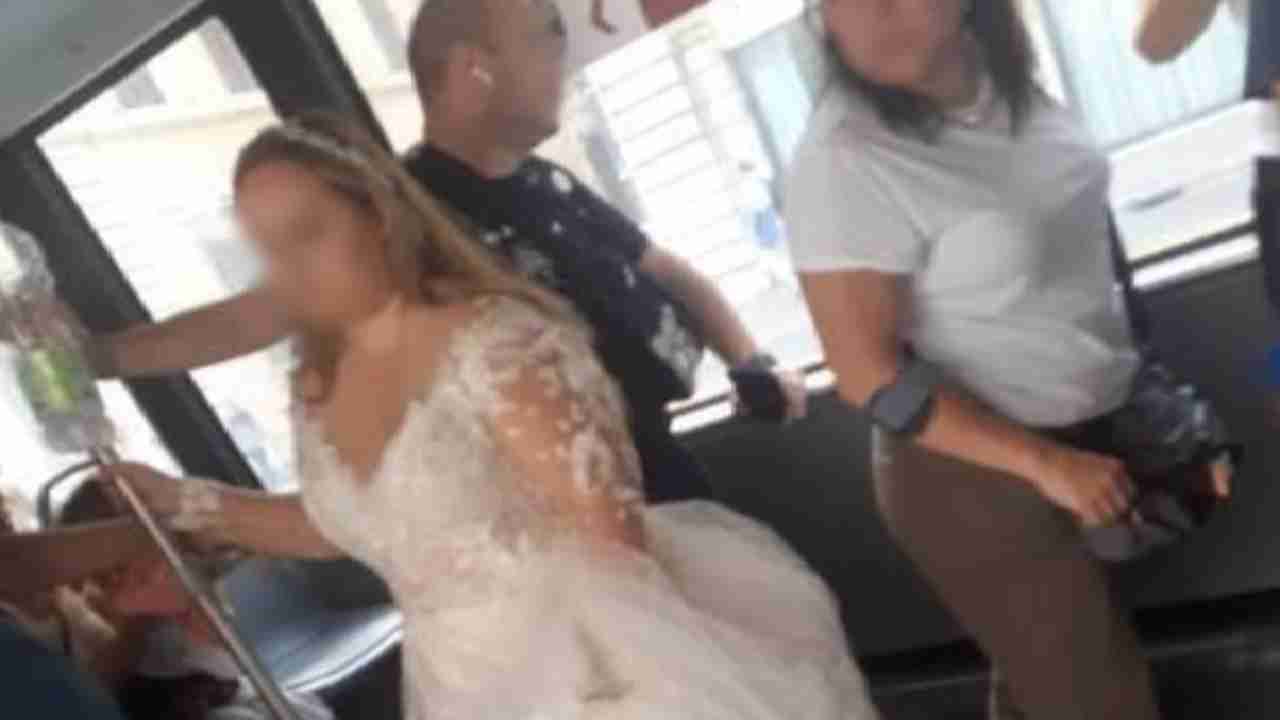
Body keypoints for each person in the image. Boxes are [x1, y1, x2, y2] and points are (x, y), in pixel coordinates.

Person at [105, 114, 881, 719]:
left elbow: (611, 544)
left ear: (377, 214)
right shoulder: (318, 380)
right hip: (454, 682)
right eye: (268, 248)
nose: (288, 269)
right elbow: (351, 524)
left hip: (594, 671)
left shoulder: (497, 341)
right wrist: (184, 501)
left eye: (308, 233)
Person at [91, 0, 806, 506]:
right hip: (566, 495)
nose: (560, 59)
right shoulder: (407, 212)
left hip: (658, 463)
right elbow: (256, 315)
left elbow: (662, 268)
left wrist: (750, 358)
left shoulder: (546, 180)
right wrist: (101, 358)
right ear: (475, 69)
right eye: (545, 38)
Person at [785, 1, 1225, 718]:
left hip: (1089, 425)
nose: (872, 12)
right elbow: (867, 376)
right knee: (1101, 702)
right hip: (974, 475)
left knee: (1042, 682)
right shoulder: (844, 158)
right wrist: (1046, 465)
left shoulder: (1000, 77)